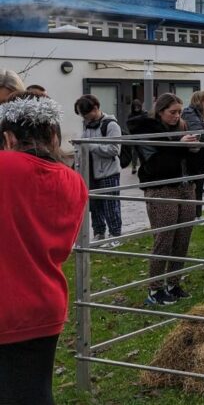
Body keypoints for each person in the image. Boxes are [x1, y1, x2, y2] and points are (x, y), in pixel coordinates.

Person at [0, 93, 87, 405]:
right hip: (46, 302)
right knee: (34, 391)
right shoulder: (74, 181)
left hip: (6, 304)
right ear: (52, 135)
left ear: (9, 138)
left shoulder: (5, 166)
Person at [128, 93, 200, 304]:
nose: (176, 116)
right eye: (172, 112)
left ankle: (174, 283)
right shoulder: (148, 131)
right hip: (162, 188)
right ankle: (155, 288)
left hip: (187, 186)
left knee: (183, 238)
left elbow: (191, 159)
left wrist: (195, 150)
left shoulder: (182, 127)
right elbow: (156, 164)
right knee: (164, 239)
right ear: (160, 112)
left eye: (179, 112)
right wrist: (180, 146)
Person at [75, 94, 123, 242]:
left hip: (108, 173)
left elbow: (114, 149)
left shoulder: (111, 125)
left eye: (85, 113)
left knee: (110, 206)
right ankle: (99, 233)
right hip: (91, 173)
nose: (84, 117)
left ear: (95, 108)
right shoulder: (88, 125)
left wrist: (90, 145)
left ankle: (115, 235)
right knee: (94, 206)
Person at [182, 90, 204, 217]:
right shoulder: (190, 113)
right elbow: (199, 134)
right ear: (201, 101)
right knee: (195, 185)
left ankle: (197, 214)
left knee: (199, 185)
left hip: (201, 155)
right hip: (194, 156)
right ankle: (195, 214)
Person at [128, 98, 145, 174]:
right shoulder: (131, 115)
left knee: (142, 152)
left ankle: (143, 166)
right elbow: (130, 125)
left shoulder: (143, 113)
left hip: (142, 135)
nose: (137, 108)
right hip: (134, 135)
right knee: (135, 152)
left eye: (138, 106)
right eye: (135, 107)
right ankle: (134, 167)